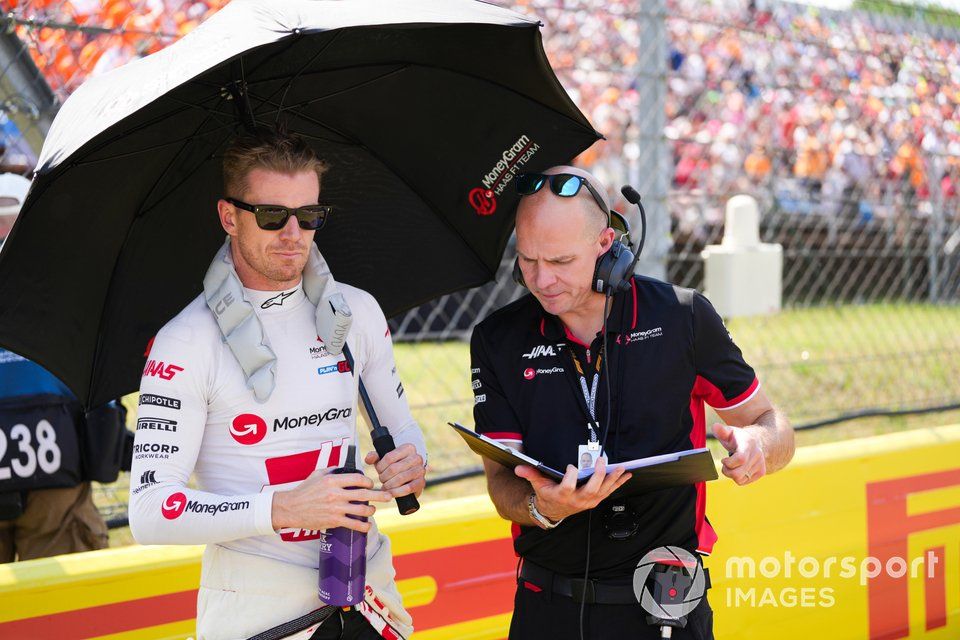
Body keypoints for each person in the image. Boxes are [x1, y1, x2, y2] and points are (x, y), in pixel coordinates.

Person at [470, 166, 795, 639]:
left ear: (606, 246)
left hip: (664, 603)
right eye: (527, 260)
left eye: (560, 261)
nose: (542, 280)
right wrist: (544, 507)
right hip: (547, 605)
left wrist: (760, 445)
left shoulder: (682, 316)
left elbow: (772, 422)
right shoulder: (497, 339)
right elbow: (501, 483)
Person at [128, 130, 427, 640]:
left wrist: (411, 463)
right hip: (257, 610)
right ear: (229, 217)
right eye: (272, 216)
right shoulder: (186, 340)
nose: (294, 233)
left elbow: (404, 434)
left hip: (367, 593)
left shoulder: (357, 311)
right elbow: (149, 511)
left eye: (309, 216)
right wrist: (283, 508)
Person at [0, 172, 121, 562]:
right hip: (60, 485)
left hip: (60, 477)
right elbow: (102, 395)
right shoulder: (69, 291)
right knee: (62, 612)